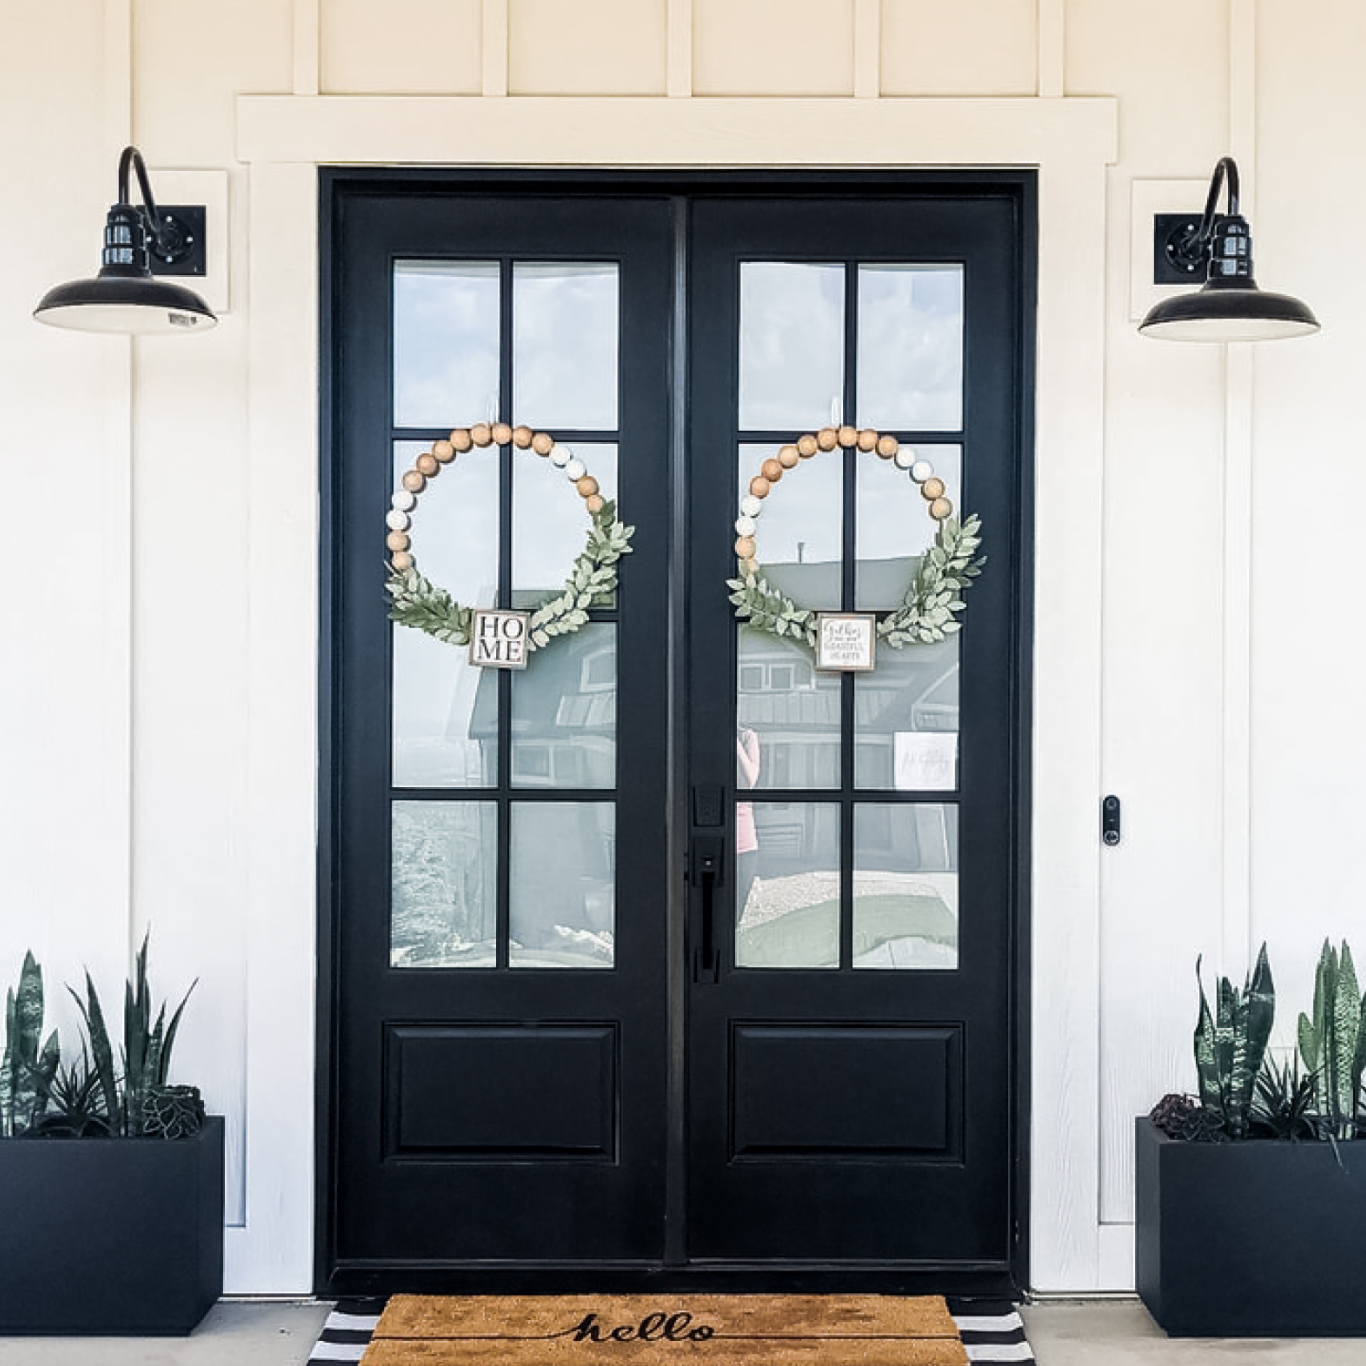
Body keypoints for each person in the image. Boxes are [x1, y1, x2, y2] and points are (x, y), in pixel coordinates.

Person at [735, 727, 761, 921]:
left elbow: (750, 779)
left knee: (733, 915)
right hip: (704, 838)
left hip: (743, 845)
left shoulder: (746, 737)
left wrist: (734, 743)